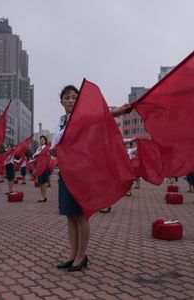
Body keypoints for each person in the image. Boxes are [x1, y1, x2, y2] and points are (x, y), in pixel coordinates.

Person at [50, 85, 132, 271]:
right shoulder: (61, 121)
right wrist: (53, 150)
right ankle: (71, 254)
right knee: (70, 215)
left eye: (74, 97)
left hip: (81, 172)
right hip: (65, 171)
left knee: (80, 215)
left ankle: (81, 255)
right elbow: (56, 145)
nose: (70, 100)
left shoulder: (82, 117)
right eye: (67, 97)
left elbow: (101, 116)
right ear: (61, 101)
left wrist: (119, 110)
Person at [33, 135, 49, 202]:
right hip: (39, 167)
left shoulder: (47, 148)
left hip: (44, 167)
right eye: (40, 140)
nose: (41, 141)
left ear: (45, 141)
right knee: (40, 183)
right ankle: (42, 196)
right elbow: (34, 156)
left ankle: (44, 197)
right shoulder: (39, 149)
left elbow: (49, 156)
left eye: (43, 140)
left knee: (43, 183)